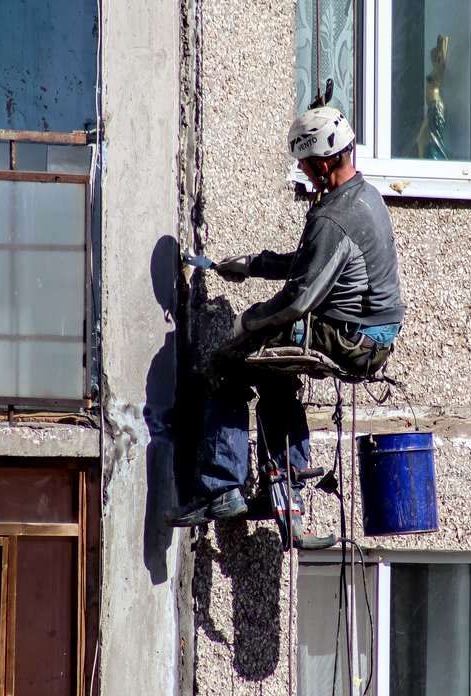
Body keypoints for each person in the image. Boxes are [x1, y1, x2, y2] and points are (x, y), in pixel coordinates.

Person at [169, 106, 405, 535]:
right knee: (273, 375)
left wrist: (248, 321)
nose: (301, 170)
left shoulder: (333, 216)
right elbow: (314, 263)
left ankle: (221, 488)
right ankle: (285, 482)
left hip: (352, 338)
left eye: (304, 163)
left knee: (227, 364)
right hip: (368, 335)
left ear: (323, 162)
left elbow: (298, 300)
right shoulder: (363, 196)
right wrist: (253, 265)